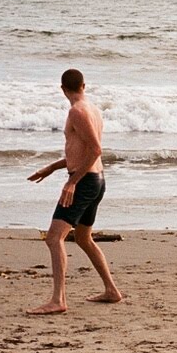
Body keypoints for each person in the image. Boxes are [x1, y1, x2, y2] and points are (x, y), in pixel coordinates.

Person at [26, 68, 124, 314]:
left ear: (63, 89)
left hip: (85, 182)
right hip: (96, 180)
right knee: (82, 238)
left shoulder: (76, 111)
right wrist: (52, 167)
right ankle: (111, 291)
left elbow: (96, 150)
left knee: (54, 238)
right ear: (84, 85)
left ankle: (58, 300)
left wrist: (72, 182)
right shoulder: (92, 109)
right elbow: (81, 151)